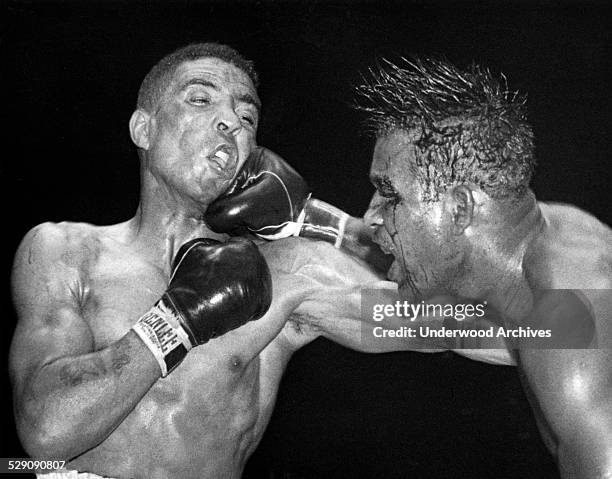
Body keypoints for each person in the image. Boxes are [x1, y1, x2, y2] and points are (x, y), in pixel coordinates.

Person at [9, 43, 511, 479]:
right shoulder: (64, 251)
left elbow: (495, 327)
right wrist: (176, 323)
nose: (230, 121)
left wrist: (317, 221)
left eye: (246, 117)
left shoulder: (287, 271)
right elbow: (46, 430)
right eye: (200, 99)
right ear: (144, 127)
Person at [351, 57, 612, 478]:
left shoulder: (569, 317)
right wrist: (314, 221)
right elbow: (422, 319)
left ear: (458, 209)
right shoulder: (541, 245)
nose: (371, 216)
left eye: (389, 194)